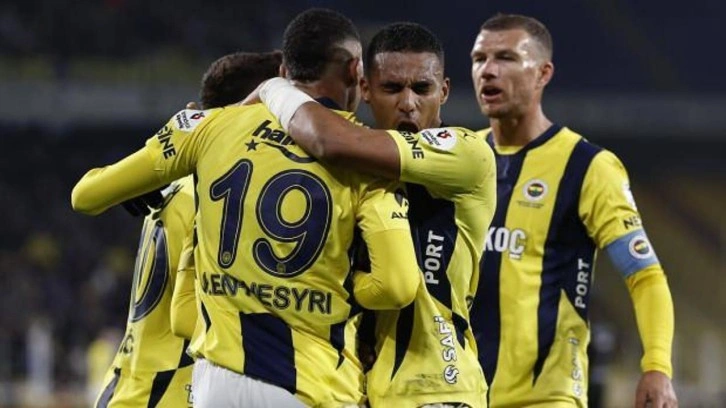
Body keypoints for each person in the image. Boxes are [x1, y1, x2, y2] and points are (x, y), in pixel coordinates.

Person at [72, 8, 420, 407]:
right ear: (356, 70)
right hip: (310, 384)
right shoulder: (366, 154)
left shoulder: (207, 131)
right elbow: (396, 286)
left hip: (209, 383)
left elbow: (86, 195)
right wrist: (339, 286)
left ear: (285, 73)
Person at [254, 22, 497, 408]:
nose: (408, 103)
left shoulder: (467, 154)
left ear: (444, 91)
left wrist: (273, 88)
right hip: (357, 389)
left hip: (437, 388)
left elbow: (329, 138)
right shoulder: (353, 170)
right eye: (392, 88)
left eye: (422, 88)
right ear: (365, 89)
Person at [467, 13, 678, 408]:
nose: (488, 70)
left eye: (506, 58)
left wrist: (657, 366)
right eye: (480, 59)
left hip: (545, 396)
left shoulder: (587, 167)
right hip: (460, 392)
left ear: (543, 73)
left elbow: (645, 275)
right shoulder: (462, 158)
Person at [91, 50, 283, 408]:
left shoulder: (182, 183)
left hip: (130, 385)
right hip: (169, 391)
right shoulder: (224, 193)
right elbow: (191, 318)